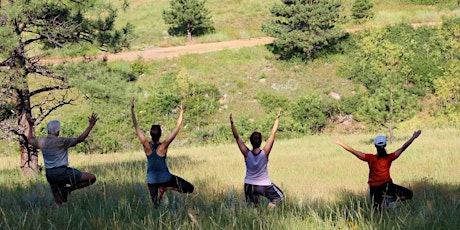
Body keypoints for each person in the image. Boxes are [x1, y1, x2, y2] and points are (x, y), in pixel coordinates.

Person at [332, 130, 422, 210]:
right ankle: (390, 200)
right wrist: (413, 137)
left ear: (375, 145)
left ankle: (387, 201)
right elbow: (403, 148)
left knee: (376, 210)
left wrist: (340, 143)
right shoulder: (389, 157)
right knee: (409, 194)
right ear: (385, 145)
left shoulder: (370, 158)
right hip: (387, 185)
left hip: (374, 188)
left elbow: (354, 151)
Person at [130, 98, 194, 207]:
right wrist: (181, 112)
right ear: (160, 134)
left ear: (150, 134)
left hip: (151, 181)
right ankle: (166, 188)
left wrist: (132, 110)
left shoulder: (146, 145)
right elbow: (177, 128)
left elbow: (136, 127)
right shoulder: (164, 146)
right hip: (166, 178)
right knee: (189, 188)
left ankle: (163, 190)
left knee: (156, 206)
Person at [26, 113, 99, 206]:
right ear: (57, 131)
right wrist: (91, 125)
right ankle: (68, 189)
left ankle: (59, 214)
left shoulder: (41, 141)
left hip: (50, 174)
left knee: (58, 203)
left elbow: (30, 139)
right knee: (91, 178)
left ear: (48, 130)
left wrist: (30, 125)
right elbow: (80, 139)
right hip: (63, 172)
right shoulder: (62, 141)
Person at [229, 109, 284, 209]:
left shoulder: (246, 153)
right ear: (261, 141)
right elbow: (272, 134)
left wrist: (232, 122)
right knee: (279, 197)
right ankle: (267, 212)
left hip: (249, 185)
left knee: (253, 209)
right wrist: (277, 119)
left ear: (250, 141)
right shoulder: (265, 153)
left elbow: (236, 137)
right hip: (264, 185)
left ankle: (259, 218)